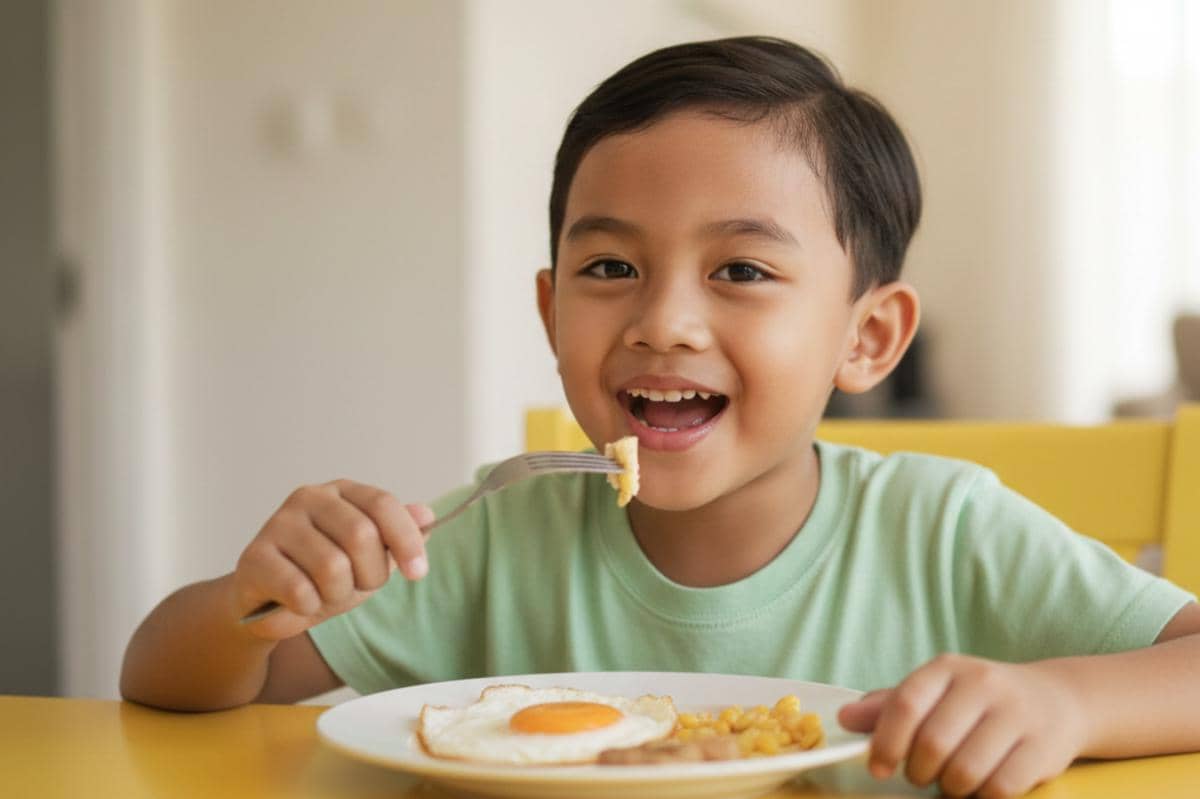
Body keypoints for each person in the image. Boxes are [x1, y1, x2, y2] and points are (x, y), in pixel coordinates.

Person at [122, 37, 1200, 798]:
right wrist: (250, 604)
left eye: (739, 267)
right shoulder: (499, 532)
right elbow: (179, 684)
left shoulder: (947, 531)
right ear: (551, 311)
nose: (663, 320)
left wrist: (1069, 703)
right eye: (610, 266)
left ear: (866, 338)